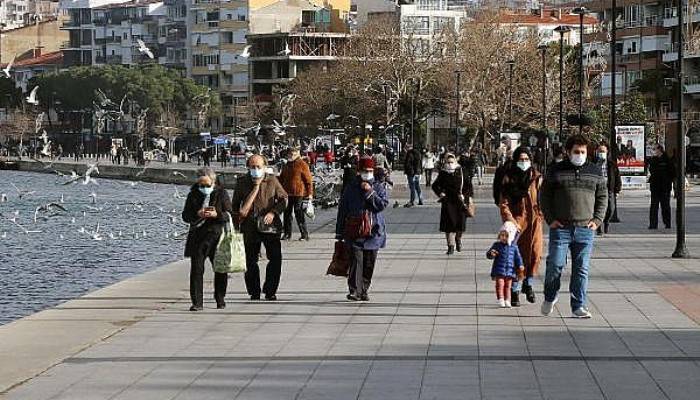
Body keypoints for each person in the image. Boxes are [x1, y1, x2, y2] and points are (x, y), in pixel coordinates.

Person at [540, 134, 607, 319]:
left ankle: (579, 305)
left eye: (583, 152)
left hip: (585, 228)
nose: (580, 155)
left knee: (581, 268)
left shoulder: (595, 171)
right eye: (576, 152)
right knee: (555, 264)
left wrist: (598, 219)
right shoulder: (556, 170)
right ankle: (550, 296)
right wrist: (550, 218)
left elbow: (603, 196)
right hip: (561, 228)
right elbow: (544, 196)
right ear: (568, 152)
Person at [232, 155, 288, 301]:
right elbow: (235, 205)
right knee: (250, 261)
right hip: (249, 226)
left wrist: (273, 212)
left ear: (264, 166)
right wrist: (236, 223)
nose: (255, 170)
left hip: (269, 226)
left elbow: (283, 199)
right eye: (252, 167)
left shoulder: (272, 180)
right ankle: (254, 291)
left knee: (275, 259)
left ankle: (270, 290)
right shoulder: (242, 182)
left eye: (258, 167)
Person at [335, 156, 389, 301]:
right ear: (358, 171)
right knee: (355, 262)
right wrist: (339, 231)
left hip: (373, 230)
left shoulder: (378, 186)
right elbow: (343, 209)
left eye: (370, 170)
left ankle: (364, 288)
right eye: (364, 170)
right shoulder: (351, 187)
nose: (367, 173)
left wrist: (370, 191)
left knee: (369, 263)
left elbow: (381, 205)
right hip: (354, 230)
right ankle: (354, 290)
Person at [181, 167, 232, 311]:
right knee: (197, 270)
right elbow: (185, 216)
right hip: (198, 237)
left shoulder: (221, 194)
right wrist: (198, 213)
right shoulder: (193, 194)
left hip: (216, 236)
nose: (203, 188)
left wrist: (217, 214)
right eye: (201, 185)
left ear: (214, 182)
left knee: (220, 269)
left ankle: (220, 298)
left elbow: (230, 214)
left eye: (207, 185)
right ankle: (197, 302)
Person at [498, 146, 544, 307]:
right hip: (517, 224)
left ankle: (528, 284)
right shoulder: (509, 179)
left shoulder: (537, 178)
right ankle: (516, 289)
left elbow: (543, 199)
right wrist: (510, 220)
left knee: (535, 254)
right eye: (521, 159)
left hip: (535, 222)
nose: (524, 162)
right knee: (518, 257)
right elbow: (504, 203)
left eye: (526, 159)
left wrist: (543, 215)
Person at [432, 153, 473, 255]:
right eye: (448, 162)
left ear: (455, 161)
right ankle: (450, 246)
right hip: (448, 202)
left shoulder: (462, 171)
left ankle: (458, 238)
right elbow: (435, 185)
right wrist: (440, 193)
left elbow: (469, 186)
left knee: (460, 225)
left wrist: (465, 196)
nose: (450, 164)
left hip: (460, 201)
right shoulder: (443, 173)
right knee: (448, 226)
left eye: (452, 162)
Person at [279, 147, 313, 241]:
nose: (291, 156)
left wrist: (309, 194)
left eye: (293, 154)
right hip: (287, 193)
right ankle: (287, 234)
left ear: (297, 154)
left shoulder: (302, 164)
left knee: (299, 213)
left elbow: (308, 180)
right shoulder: (286, 165)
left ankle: (304, 234)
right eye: (290, 154)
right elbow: (281, 178)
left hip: (299, 193)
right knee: (287, 214)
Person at [487, 224, 524, 308]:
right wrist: (491, 254)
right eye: (502, 235)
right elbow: (489, 254)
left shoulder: (514, 247)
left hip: (510, 270)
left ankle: (507, 300)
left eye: (506, 236)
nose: (503, 237)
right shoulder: (496, 245)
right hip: (499, 270)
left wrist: (520, 265)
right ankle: (500, 299)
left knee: (508, 286)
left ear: (510, 236)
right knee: (500, 285)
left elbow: (518, 257)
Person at [594, 143, 621, 235]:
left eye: (603, 151)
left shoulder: (612, 164)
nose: (601, 153)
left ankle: (606, 221)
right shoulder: (593, 164)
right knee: (597, 207)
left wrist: (617, 190)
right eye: (600, 151)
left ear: (607, 152)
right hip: (597, 189)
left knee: (611, 208)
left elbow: (617, 177)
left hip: (609, 188)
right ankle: (599, 226)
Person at [647, 144, 675, 229]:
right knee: (653, 206)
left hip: (665, 187)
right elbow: (651, 170)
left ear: (659, 150)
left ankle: (667, 223)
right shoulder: (653, 160)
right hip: (655, 187)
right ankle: (653, 224)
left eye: (654, 149)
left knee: (665, 206)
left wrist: (668, 181)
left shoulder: (667, 160)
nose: (653, 151)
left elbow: (673, 173)